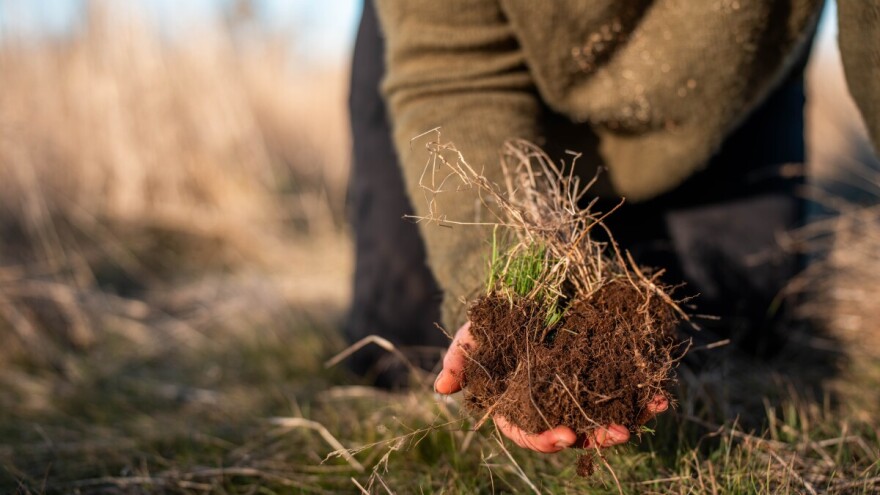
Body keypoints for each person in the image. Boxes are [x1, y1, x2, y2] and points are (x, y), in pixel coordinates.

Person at [346, 0, 880, 452]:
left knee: (735, 331)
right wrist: (504, 276)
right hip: (471, 79)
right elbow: (454, 67)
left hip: (722, 92)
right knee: (405, 349)